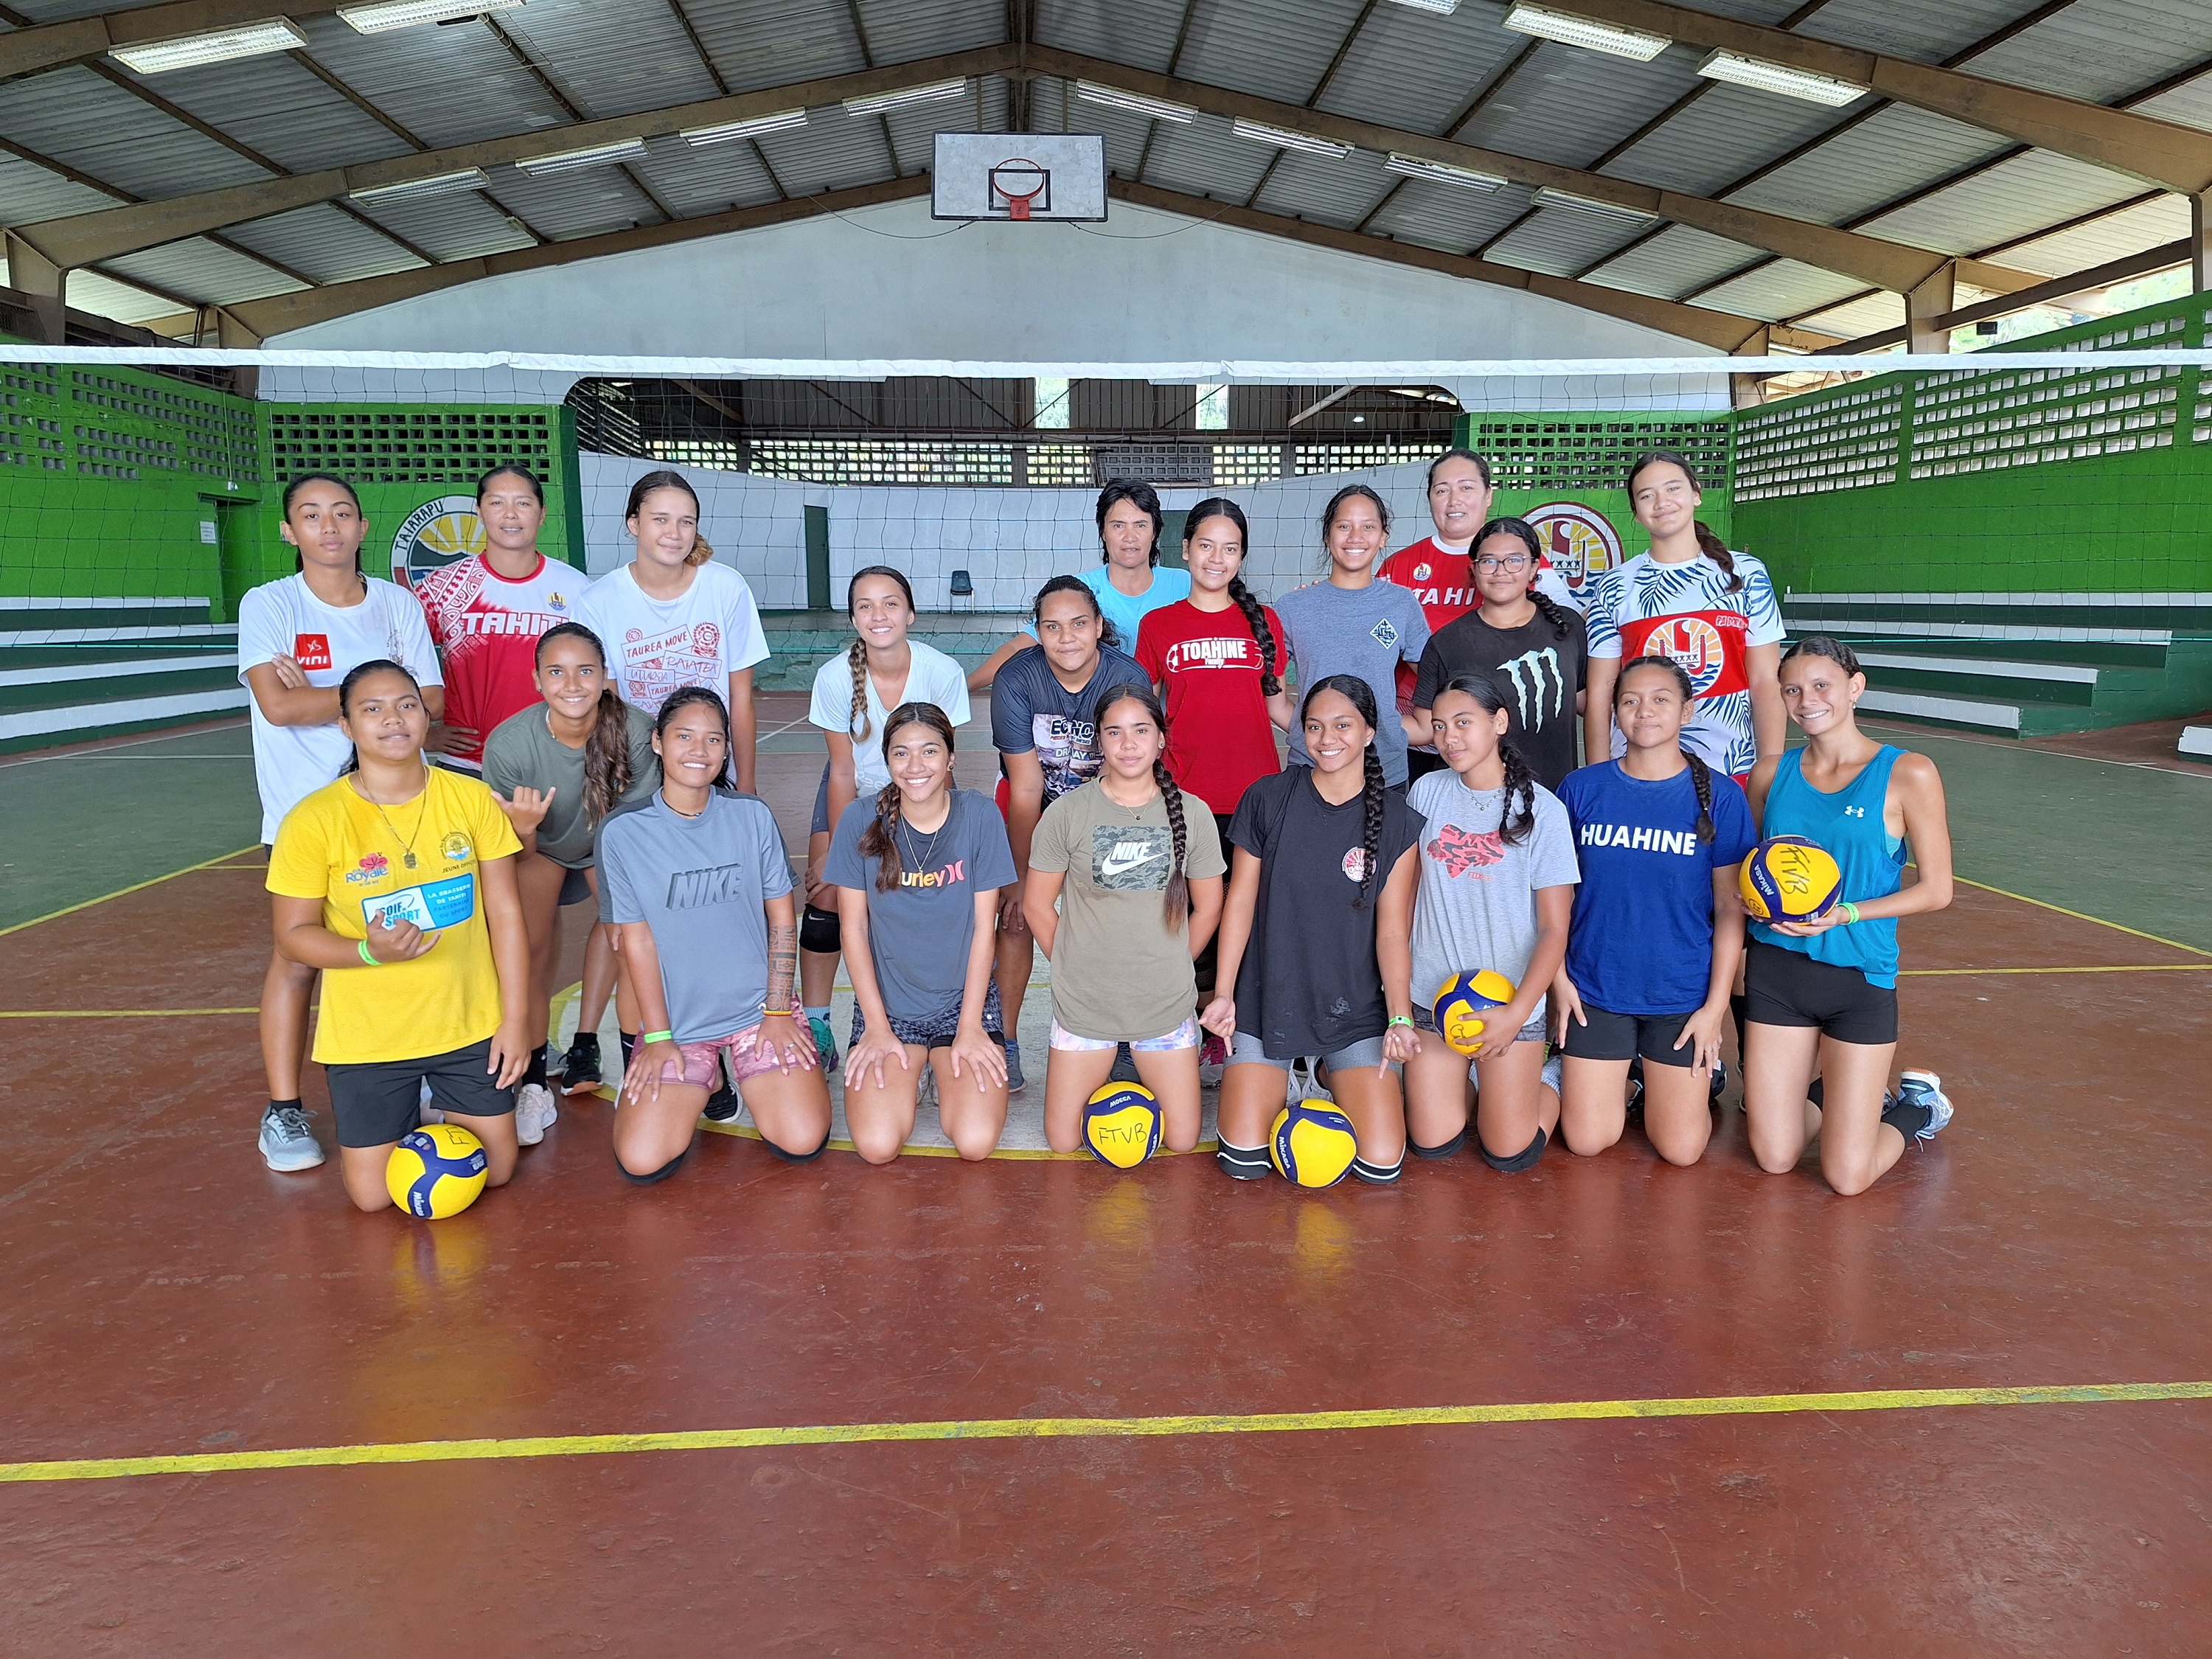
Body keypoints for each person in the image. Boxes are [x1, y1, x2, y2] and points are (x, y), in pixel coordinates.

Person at [263, 660, 529, 1212]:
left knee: (498, 1171)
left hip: (466, 1022)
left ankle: (439, 1098)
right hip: (370, 1037)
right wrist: (367, 951)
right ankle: (421, 1102)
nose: (393, 719)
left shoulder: (471, 798)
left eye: (407, 705)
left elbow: (505, 914)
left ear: (426, 717)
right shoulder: (313, 820)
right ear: (346, 726)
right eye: (372, 709)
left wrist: (516, 1020)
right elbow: (293, 937)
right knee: (372, 1197)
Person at [238, 473, 444, 1175]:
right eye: (311, 515)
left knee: (403, 937)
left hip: (393, 805)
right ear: (290, 532)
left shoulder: (396, 604)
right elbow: (278, 707)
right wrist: (381, 694)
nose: (329, 527)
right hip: (305, 810)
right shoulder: (269, 604)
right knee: (298, 957)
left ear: (362, 528)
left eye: (343, 514)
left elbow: (434, 699)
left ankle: (410, 1077)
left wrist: (325, 694)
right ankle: (284, 1108)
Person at [1742, 636, 1956, 1195]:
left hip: (1859, 976)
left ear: (1855, 688)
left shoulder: (1907, 772)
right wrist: (1753, 898)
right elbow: (1756, 867)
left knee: (1846, 1176)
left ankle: (1916, 1108)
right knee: (1774, 1156)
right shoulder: (1769, 773)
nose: (1806, 699)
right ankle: (1839, 1096)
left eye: (1821, 685)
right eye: (1792, 689)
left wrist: (1844, 914)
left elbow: (1937, 890)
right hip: (1778, 972)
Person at [597, 687, 832, 1183]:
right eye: (684, 736)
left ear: (727, 749)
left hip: (757, 1013)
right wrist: (658, 1037)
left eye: (712, 739)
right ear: (658, 742)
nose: (698, 751)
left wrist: (777, 1009)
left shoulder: (751, 816)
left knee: (802, 1137)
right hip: (680, 1026)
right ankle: (712, 1075)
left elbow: (783, 921)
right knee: (642, 1158)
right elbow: (636, 942)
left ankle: (748, 1067)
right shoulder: (624, 833)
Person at [1204, 676, 1422, 1184]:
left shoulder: (1395, 820)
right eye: (1315, 726)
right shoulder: (1268, 797)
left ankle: (1327, 1071)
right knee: (1244, 1162)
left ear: (1369, 732)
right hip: (1267, 1001)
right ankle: (1286, 1074)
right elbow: (1239, 900)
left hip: (1352, 1008)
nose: (1328, 738)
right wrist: (1223, 995)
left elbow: (1392, 933)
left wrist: (1399, 1018)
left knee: (1381, 1163)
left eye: (1343, 725)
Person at [1554, 657, 1756, 1167]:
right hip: (1596, 987)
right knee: (1587, 1139)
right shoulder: (1582, 789)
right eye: (1630, 701)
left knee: (1682, 1150)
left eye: (1660, 699)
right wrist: (1559, 981)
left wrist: (1713, 1011)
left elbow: (1731, 912)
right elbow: (1552, 899)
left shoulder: (1722, 798)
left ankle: (1667, 1079)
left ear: (1687, 710)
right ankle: (1627, 1079)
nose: (1645, 711)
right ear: (1615, 712)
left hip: (1680, 993)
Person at [1025, 685, 1225, 1158]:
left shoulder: (1193, 814)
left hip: (1162, 1001)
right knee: (1063, 1142)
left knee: (1180, 1140)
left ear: (1161, 739)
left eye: (1141, 730)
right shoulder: (1067, 813)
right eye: (1114, 732)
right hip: (1086, 1002)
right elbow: (1036, 906)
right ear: (1099, 741)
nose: (1128, 744)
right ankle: (1118, 1066)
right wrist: (1074, 963)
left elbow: (1210, 906)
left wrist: (1176, 962)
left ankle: (1127, 1067)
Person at [1396, 675, 1579, 1173]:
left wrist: (1519, 1012)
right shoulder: (1427, 792)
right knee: (1433, 1143)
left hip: (1508, 1006)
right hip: (1436, 1000)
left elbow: (1554, 930)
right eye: (1438, 726)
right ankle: (1473, 1082)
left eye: (1463, 723)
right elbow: (1406, 899)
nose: (1449, 737)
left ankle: (1551, 1079)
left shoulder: (1545, 810)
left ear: (1499, 722)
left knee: (1509, 1153)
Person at [481, 622, 658, 1117]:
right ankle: (534, 1082)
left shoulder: (637, 733)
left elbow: (632, 836)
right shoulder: (509, 745)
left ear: (605, 676)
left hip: (611, 844)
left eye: (585, 670)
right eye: (557, 672)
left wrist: (617, 908)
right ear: (537, 680)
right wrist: (526, 829)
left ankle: (623, 1062)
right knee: (530, 952)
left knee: (629, 935)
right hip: (537, 848)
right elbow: (513, 853)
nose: (572, 683)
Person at [800, 566, 973, 1072]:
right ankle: (817, 1020)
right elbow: (841, 772)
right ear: (853, 618)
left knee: (935, 892)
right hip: (856, 796)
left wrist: (948, 836)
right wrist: (838, 853)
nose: (880, 615)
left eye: (891, 603)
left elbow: (945, 764)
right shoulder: (834, 677)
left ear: (911, 613)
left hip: (923, 791)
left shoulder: (942, 672)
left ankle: (942, 1018)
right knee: (827, 897)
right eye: (867, 606)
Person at [1137, 498, 1287, 1070]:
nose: (1217, 558)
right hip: (1184, 799)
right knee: (1183, 916)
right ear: (1185, 550)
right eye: (1206, 546)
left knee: (1245, 920)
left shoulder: (1264, 621)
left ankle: (1232, 1033)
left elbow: (1273, 703)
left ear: (1242, 556)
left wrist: (1338, 740)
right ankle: (1178, 1027)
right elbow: (1143, 710)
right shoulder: (1159, 624)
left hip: (1256, 797)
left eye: (1230, 548)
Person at [828, 703, 1015, 1164]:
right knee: (876, 1146)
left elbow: (983, 932)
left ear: (951, 757)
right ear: (887, 760)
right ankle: (914, 1068)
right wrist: (874, 1026)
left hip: (962, 1007)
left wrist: (971, 1027)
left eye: (930, 752)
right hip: (890, 1011)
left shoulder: (980, 816)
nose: (916, 767)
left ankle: (936, 1065)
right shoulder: (859, 819)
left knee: (974, 1142)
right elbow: (852, 929)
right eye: (902, 754)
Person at [988, 575, 1150, 1093]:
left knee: (1117, 915)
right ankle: (1005, 1041)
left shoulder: (1126, 677)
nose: (1067, 637)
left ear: (1099, 627)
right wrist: (1018, 878)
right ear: (1037, 631)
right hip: (1030, 802)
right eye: (1052, 627)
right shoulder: (1017, 679)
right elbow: (1026, 787)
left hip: (1109, 802)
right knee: (1014, 918)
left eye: (1080, 624)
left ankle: (1122, 1040)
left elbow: (1124, 778)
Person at [1583, 450, 1784, 785]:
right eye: (1647, 495)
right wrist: (1599, 780)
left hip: (1731, 768)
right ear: (1635, 512)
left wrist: (1769, 772)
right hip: (1637, 771)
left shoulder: (1748, 573)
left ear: (1696, 494)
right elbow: (1601, 694)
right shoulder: (1615, 585)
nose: (1662, 502)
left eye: (1673, 488)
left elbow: (1765, 681)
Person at [1382, 448, 1573, 782]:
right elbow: (1378, 632)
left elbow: (1561, 631)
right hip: (1420, 733)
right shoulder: (1399, 566)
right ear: (1429, 499)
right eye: (1442, 490)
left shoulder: (1520, 561)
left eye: (1466, 488)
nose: (1454, 500)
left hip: (1501, 734)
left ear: (1488, 495)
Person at [574, 468, 769, 790]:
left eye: (686, 521)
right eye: (661, 519)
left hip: (710, 768)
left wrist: (746, 784)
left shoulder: (726, 587)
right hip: (639, 770)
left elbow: (741, 699)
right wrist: (622, 782)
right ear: (634, 523)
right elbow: (609, 707)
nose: (675, 533)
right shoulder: (597, 602)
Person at [412, 463, 583, 773]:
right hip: (467, 765)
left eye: (523, 503)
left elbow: (598, 676)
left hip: (552, 760)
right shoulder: (442, 588)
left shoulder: (577, 589)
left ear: (542, 513)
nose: (510, 514)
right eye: (496, 503)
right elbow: (390, 660)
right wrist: (422, 734)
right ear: (479, 511)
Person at [1273, 485, 1432, 790]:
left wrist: (1404, 728)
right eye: (1344, 526)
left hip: (1385, 771)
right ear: (1327, 535)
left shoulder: (1401, 604)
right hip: (1311, 768)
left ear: (1384, 537)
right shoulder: (1293, 607)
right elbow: (1274, 699)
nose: (1355, 537)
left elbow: (1433, 678)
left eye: (1368, 527)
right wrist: (1312, 733)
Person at [1413, 517, 1590, 791]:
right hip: (1474, 800)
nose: (1501, 571)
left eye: (1514, 560)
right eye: (1489, 561)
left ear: (1534, 568)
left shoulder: (1567, 627)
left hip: (1554, 795)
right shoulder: (1447, 642)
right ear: (1474, 570)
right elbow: (1426, 728)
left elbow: (1587, 702)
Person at [964, 480, 1189, 694]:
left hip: (1164, 725)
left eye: (1140, 525)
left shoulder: (1184, 585)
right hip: (1093, 722)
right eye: (1118, 525)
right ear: (1103, 532)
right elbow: (1018, 649)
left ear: (1154, 532)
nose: (1129, 537)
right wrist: (964, 687)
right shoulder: (1080, 592)